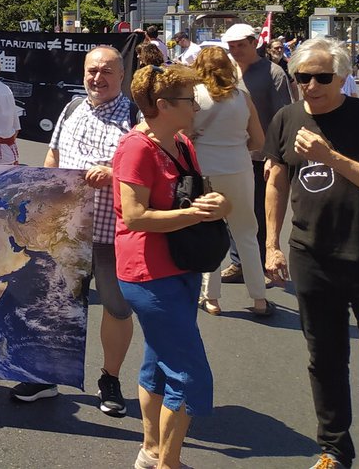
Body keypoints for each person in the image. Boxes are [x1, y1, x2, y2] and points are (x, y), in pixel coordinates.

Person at [263, 37, 359, 469]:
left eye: (322, 77)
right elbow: (275, 181)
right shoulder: (286, 118)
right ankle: (334, 448)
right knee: (325, 358)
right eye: (302, 77)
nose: (310, 85)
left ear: (344, 77)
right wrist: (272, 245)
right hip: (312, 256)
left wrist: (332, 157)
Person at [11, 45, 137, 416]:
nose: (97, 78)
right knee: (56, 306)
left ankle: (109, 379)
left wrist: (114, 175)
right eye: (91, 71)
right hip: (66, 234)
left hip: (112, 234)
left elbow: (147, 171)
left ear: (121, 76)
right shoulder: (70, 109)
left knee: (115, 308)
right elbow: (53, 159)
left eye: (106, 72)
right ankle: (45, 376)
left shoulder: (135, 116)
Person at [113, 64, 228, 469]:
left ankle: (152, 452)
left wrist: (216, 206)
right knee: (188, 373)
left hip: (180, 264)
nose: (196, 106)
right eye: (188, 100)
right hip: (149, 272)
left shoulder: (180, 143)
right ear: (163, 105)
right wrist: (196, 216)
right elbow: (134, 216)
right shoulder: (137, 148)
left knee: (159, 363)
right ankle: (168, 463)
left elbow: (199, 194)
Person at [190, 47, 272, 318]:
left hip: (205, 171)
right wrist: (235, 146)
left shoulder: (194, 97)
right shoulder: (243, 98)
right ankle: (259, 298)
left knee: (209, 233)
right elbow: (259, 141)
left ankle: (211, 298)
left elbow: (183, 135)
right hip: (238, 168)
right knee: (246, 233)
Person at [220, 22, 291, 284]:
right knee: (231, 211)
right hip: (231, 152)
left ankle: (262, 263)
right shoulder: (227, 71)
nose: (236, 50)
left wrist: (274, 156)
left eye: (241, 45)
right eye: (231, 46)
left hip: (261, 155)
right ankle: (240, 262)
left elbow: (282, 117)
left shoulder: (273, 73)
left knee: (258, 213)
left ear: (254, 43)